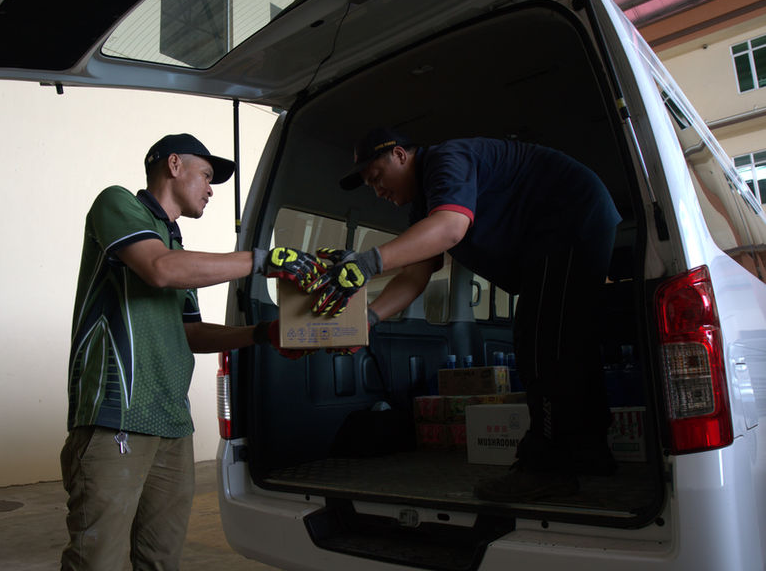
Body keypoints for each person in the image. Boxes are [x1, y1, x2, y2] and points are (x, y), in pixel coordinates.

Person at [306, 127, 621, 502]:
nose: (378, 191)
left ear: (401, 155)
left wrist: (368, 263)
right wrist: (367, 321)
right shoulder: (424, 205)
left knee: (541, 344)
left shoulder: (446, 160)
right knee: (567, 343)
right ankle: (589, 451)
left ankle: (547, 468)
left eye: (377, 177)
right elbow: (416, 273)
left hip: (571, 215)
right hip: (560, 229)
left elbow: (451, 228)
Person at [60, 133, 322, 570]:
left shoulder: (178, 250)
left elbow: (192, 333)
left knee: (161, 559)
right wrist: (263, 260)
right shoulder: (118, 204)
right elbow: (159, 270)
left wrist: (263, 333)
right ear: (174, 165)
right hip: (116, 419)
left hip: (172, 425)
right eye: (205, 174)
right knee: (97, 561)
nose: (211, 187)